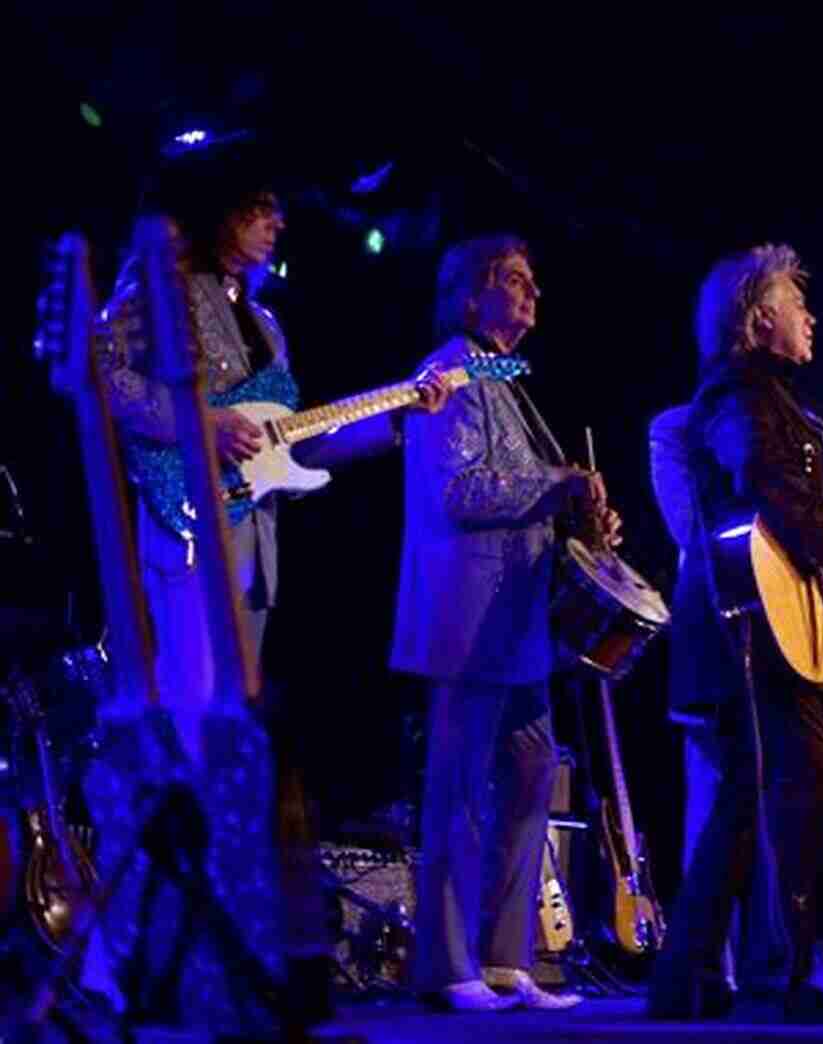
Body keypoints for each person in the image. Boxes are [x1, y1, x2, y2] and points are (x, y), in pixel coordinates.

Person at [86, 154, 447, 1033]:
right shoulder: (160, 292)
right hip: (184, 531)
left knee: (226, 744)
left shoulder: (270, 327)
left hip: (254, 546)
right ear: (222, 215)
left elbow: (297, 451)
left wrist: (398, 423)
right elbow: (105, 374)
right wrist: (203, 423)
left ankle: (203, 954)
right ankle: (119, 959)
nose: (277, 224)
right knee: (182, 731)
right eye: (261, 209)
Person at [647, 243, 823, 1022]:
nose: (813, 318)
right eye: (799, 305)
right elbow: (763, 482)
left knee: (743, 806)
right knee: (800, 795)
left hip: (750, 631)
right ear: (760, 320)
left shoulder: (775, 397)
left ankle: (684, 982)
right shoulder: (738, 392)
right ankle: (786, 981)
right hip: (749, 635)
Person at [391, 234, 619, 1012]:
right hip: (467, 614)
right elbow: (460, 491)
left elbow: (528, 491)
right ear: (470, 293)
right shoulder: (448, 370)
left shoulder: (506, 380)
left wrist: (583, 513)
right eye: (515, 281)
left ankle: (503, 959)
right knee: (458, 787)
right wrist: (556, 485)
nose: (533, 296)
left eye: (533, 282)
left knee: (531, 774)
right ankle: (446, 966)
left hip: (515, 621)